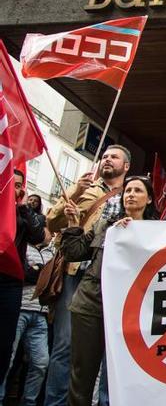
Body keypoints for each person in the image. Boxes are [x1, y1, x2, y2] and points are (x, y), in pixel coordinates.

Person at [60, 176, 159, 406]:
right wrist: (74, 224)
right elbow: (74, 252)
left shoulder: (156, 232)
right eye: (127, 191)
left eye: (137, 190)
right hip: (91, 305)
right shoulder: (106, 225)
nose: (130, 194)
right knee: (82, 375)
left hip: (132, 313)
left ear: (149, 199)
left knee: (124, 377)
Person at [43, 145, 129, 406]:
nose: (107, 160)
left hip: (108, 280)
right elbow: (52, 222)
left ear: (126, 166)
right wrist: (76, 190)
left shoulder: (130, 193)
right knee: (66, 347)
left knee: (109, 352)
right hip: (74, 275)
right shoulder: (85, 190)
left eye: (114, 157)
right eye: (104, 156)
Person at [0, 208, 54, 406]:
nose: (48, 233)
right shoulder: (21, 246)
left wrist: (37, 274)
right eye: (45, 228)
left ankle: (29, 402)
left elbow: (50, 279)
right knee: (8, 358)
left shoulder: (52, 252)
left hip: (41, 315)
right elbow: (25, 275)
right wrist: (38, 275)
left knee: (41, 363)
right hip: (19, 309)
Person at [0, 171, 43, 384]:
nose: (14, 189)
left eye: (19, 186)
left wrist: (25, 207)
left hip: (10, 282)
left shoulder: (22, 215)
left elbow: (38, 235)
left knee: (4, 344)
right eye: (11, 184)